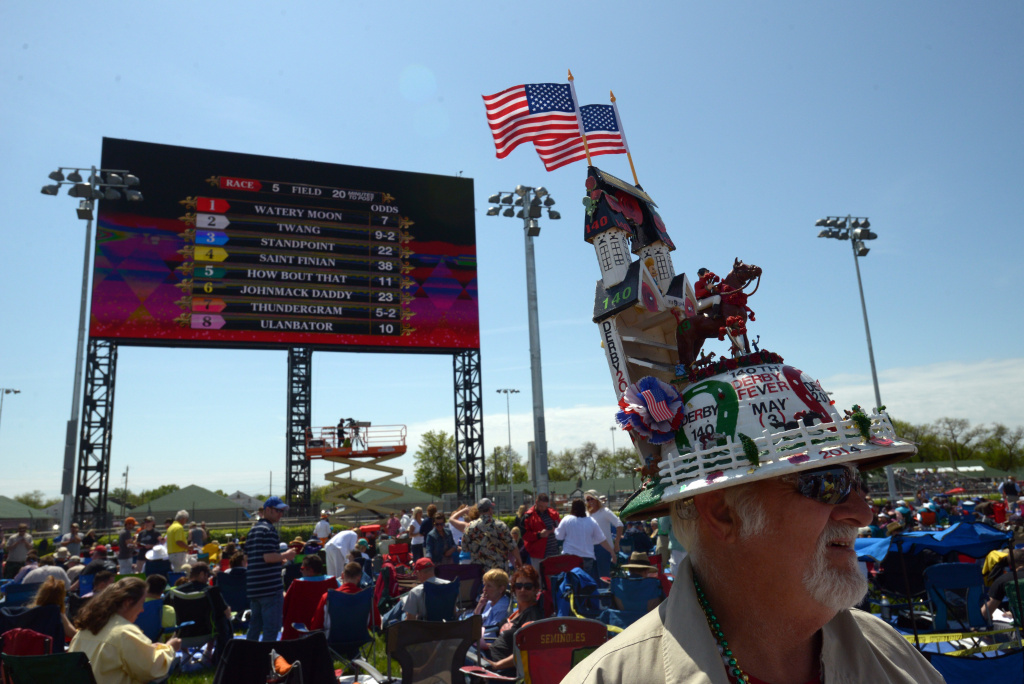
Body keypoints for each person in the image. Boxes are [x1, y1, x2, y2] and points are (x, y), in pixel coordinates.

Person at [564, 372, 943, 683]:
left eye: (859, 483)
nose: (863, 513)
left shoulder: (895, 658)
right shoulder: (609, 678)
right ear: (723, 513)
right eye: (827, 483)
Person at [70, 577, 180, 684]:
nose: (142, 609)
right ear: (128, 602)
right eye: (141, 603)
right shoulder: (125, 633)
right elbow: (151, 670)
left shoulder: (85, 630)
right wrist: (170, 648)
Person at [245, 496, 296, 641]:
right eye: (278, 510)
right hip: (270, 588)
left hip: (254, 587)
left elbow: (251, 557)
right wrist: (286, 555)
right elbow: (267, 557)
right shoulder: (269, 530)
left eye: (282, 511)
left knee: (254, 626)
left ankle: (249, 657)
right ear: (268, 510)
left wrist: (278, 559)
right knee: (271, 628)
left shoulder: (253, 531)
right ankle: (267, 659)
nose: (280, 514)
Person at [480, 565, 544, 676]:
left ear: (535, 590)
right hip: (487, 655)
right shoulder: (513, 614)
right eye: (519, 586)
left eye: (528, 586)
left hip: (499, 668)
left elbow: (526, 650)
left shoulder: (532, 614)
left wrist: (497, 665)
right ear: (514, 589)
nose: (522, 590)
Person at [175, 562, 232, 663]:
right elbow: (227, 614)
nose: (208, 579)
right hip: (207, 634)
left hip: (181, 635)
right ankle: (208, 653)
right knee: (219, 618)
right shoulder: (211, 591)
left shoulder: (176, 593)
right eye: (207, 575)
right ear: (202, 574)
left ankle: (185, 655)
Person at [555, 498, 612, 581]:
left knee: (570, 582)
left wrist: (555, 530)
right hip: (587, 558)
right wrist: (612, 552)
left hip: (570, 556)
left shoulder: (566, 519)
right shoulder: (591, 521)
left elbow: (559, 537)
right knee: (584, 582)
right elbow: (602, 539)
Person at [463, 498, 519, 573]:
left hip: (479, 572)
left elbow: (465, 548)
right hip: (499, 571)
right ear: (490, 509)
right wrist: (519, 561)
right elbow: (512, 546)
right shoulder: (500, 525)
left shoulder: (469, 527)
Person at [309, 561, 364, 631]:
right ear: (359, 578)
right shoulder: (367, 596)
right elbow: (376, 622)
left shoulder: (327, 597)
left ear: (342, 575)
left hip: (333, 640)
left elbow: (315, 626)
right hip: (361, 639)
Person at [521, 493, 561, 572]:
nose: (543, 508)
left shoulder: (553, 513)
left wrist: (556, 530)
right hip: (538, 554)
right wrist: (539, 535)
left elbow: (561, 528)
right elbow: (524, 535)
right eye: (541, 506)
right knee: (539, 578)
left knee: (553, 578)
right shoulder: (528, 516)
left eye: (545, 506)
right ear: (536, 502)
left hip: (553, 552)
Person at [472, 568, 511, 643]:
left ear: (501, 589)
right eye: (484, 585)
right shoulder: (490, 601)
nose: (484, 589)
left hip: (488, 641)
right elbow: (477, 620)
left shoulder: (502, 607)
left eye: (489, 586)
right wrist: (480, 606)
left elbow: (492, 631)